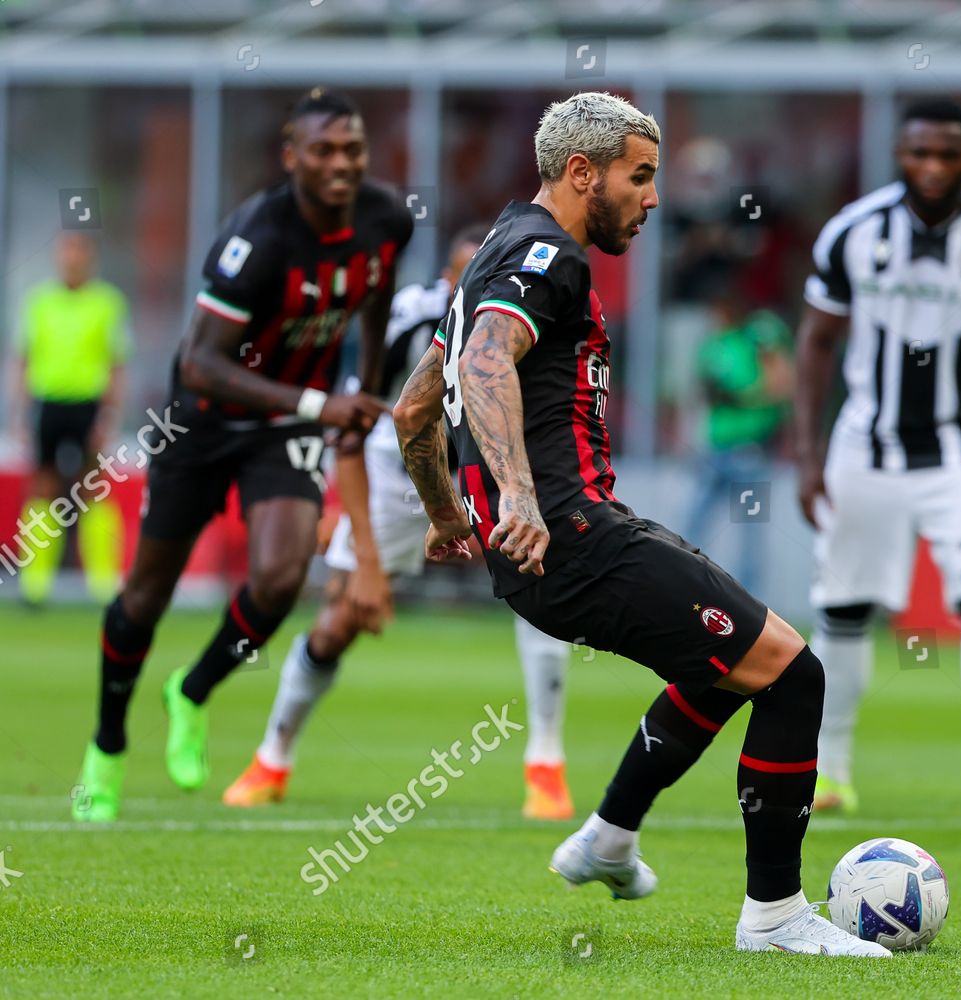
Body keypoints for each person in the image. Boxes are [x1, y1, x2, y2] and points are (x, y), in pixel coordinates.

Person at [394, 91, 886, 957]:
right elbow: (481, 363)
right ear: (582, 174)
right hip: (572, 536)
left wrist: (447, 514)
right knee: (792, 675)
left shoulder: (489, 258)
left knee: (729, 662)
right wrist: (514, 496)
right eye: (641, 175)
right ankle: (775, 918)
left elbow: (412, 410)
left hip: (568, 539)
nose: (653, 198)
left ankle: (610, 837)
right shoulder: (550, 255)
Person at [70, 88, 413, 822]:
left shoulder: (387, 219)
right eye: (322, 150)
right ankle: (106, 746)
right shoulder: (257, 238)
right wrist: (325, 405)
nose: (340, 164)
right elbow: (199, 361)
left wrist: (367, 392)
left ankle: (192, 690)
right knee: (146, 596)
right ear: (291, 157)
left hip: (283, 426)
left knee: (283, 576)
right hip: (204, 422)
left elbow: (377, 304)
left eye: (351, 149)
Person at [221, 225, 577, 819]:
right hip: (399, 472)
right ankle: (271, 758)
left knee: (539, 586)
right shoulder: (406, 323)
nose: (483, 288)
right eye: (468, 276)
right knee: (339, 620)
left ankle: (546, 765)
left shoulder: (532, 310)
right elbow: (354, 433)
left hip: (492, 465)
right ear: (447, 282)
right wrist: (365, 559)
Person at [792, 98, 961, 828]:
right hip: (864, 447)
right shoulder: (853, 232)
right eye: (920, 154)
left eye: (948, 155)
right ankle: (833, 772)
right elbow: (816, 344)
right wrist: (808, 456)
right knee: (842, 611)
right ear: (899, 156)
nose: (933, 168)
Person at [7, 232, 131, 605]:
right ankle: (36, 585)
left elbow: (116, 364)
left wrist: (108, 415)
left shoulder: (108, 303)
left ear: (89, 259)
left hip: (88, 403)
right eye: (67, 252)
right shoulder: (39, 301)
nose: (72, 260)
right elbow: (24, 358)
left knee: (93, 487)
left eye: (79, 253)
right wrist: (20, 413)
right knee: (43, 486)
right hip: (48, 401)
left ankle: (103, 584)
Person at [683, 286, 794, 595]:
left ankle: (751, 604)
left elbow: (780, 385)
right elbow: (704, 391)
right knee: (693, 524)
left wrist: (745, 399)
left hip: (750, 450)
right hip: (715, 449)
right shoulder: (713, 345)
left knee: (750, 533)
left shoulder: (755, 337)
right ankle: (686, 590)